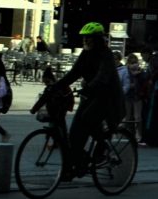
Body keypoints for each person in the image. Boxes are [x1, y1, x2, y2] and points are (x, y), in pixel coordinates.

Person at [41, 22, 124, 177]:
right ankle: (78, 163)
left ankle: (103, 145)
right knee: (74, 134)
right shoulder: (86, 54)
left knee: (87, 120)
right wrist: (56, 86)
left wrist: (89, 86)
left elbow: (103, 77)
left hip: (107, 98)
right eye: (84, 38)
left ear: (98, 39)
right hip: (90, 96)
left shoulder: (106, 54)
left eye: (89, 38)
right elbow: (74, 73)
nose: (85, 41)